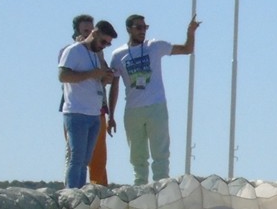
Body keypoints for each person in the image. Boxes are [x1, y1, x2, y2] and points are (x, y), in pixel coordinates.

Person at [108, 14, 201, 185]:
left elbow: (187, 49)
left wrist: (191, 32)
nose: (143, 31)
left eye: (145, 27)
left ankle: (162, 188)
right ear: (129, 29)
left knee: (161, 152)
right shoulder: (118, 55)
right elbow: (114, 86)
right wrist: (111, 115)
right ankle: (140, 189)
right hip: (133, 109)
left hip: (156, 106)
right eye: (138, 27)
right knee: (137, 154)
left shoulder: (155, 46)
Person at [58, 21, 118, 189]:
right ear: (95, 33)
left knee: (85, 160)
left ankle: (81, 194)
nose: (104, 46)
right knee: (76, 158)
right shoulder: (74, 51)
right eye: (103, 42)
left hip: (94, 113)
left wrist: (104, 78)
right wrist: (93, 74)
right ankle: (71, 194)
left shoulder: (95, 55)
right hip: (76, 112)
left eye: (108, 44)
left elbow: (95, 79)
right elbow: (63, 76)